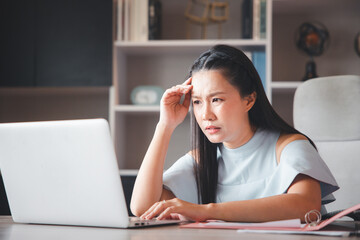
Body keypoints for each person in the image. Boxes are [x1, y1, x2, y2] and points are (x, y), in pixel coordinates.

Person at [130, 45, 339, 222]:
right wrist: (165, 125)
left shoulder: (288, 146)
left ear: (248, 100)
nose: (206, 115)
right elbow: (142, 207)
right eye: (197, 102)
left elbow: (306, 205)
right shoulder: (204, 158)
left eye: (216, 100)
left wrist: (205, 211)